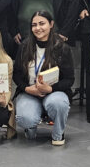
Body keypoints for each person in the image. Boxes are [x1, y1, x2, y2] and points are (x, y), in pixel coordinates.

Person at [13, 10, 74, 147]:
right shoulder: (24, 46)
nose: (38, 28)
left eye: (42, 23)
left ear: (51, 24)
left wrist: (51, 89)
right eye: (34, 25)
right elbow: (16, 74)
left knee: (59, 104)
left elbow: (69, 79)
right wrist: (27, 89)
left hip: (54, 92)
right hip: (30, 92)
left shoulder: (62, 48)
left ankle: (58, 134)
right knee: (25, 118)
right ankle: (30, 127)